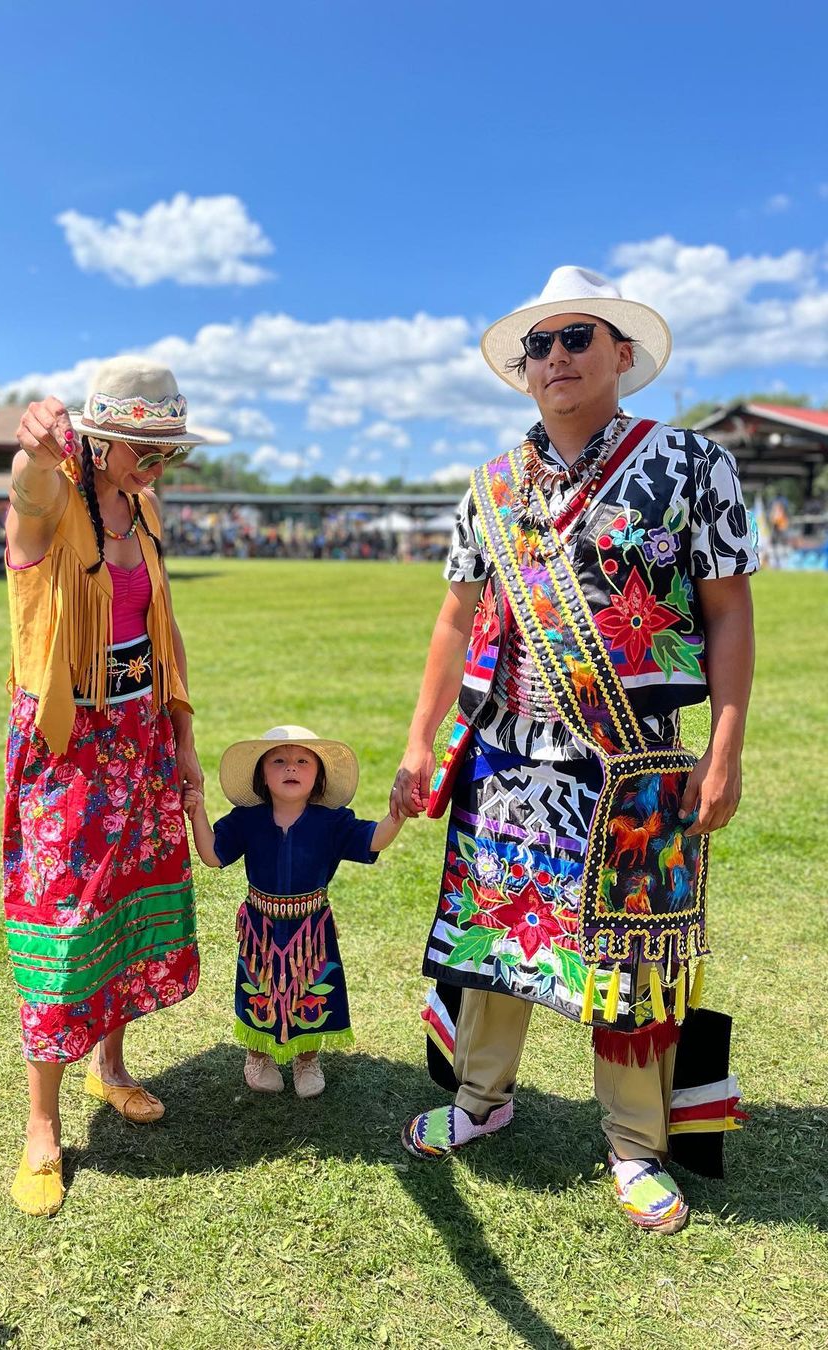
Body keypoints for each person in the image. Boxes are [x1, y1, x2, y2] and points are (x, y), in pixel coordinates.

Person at [393, 267, 757, 1233]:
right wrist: (420, 741)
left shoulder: (691, 465)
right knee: (493, 936)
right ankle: (481, 1099)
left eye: (576, 337)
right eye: (538, 345)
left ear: (622, 353)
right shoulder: (491, 485)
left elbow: (727, 610)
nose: (554, 357)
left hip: (633, 763)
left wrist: (726, 747)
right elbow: (455, 618)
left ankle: (635, 1144)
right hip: (504, 760)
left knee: (634, 961)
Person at [4, 356, 205, 1216]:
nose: (154, 466)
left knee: (124, 909)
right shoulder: (56, 497)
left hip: (139, 734)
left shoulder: (144, 508)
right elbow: (27, 495)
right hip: (68, 743)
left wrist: (183, 736)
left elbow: (165, 629)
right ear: (95, 438)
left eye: (166, 452)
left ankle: (111, 1067)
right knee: (63, 920)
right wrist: (31, 450)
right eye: (141, 450)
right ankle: (41, 1126)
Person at [185, 726, 406, 1097]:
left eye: (303, 761)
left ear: (318, 775)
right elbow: (212, 854)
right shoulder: (247, 818)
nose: (291, 767)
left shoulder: (332, 821)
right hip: (260, 929)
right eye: (279, 761)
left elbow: (373, 839)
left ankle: (307, 1059)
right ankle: (258, 1057)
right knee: (259, 990)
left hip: (311, 931)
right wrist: (198, 812)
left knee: (311, 990)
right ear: (262, 775)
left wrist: (397, 815)